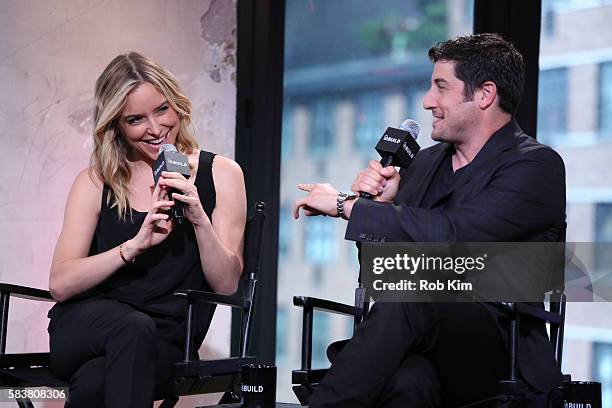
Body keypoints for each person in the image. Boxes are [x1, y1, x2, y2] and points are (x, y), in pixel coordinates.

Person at [293, 33, 565, 407]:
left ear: (484, 94)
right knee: (407, 382)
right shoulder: (422, 164)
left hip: (501, 347)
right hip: (425, 347)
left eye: (440, 87)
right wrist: (382, 207)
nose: (427, 101)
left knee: (418, 290)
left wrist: (349, 206)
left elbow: (458, 236)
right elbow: (377, 272)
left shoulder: (535, 166)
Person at [47, 52, 246, 407]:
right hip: (85, 327)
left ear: (178, 106)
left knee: (95, 383)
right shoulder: (96, 181)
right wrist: (134, 246)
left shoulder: (223, 174)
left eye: (161, 110)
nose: (155, 129)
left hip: (164, 341)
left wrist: (199, 217)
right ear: (117, 126)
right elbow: (60, 284)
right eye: (136, 119)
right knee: (130, 327)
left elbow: (227, 283)